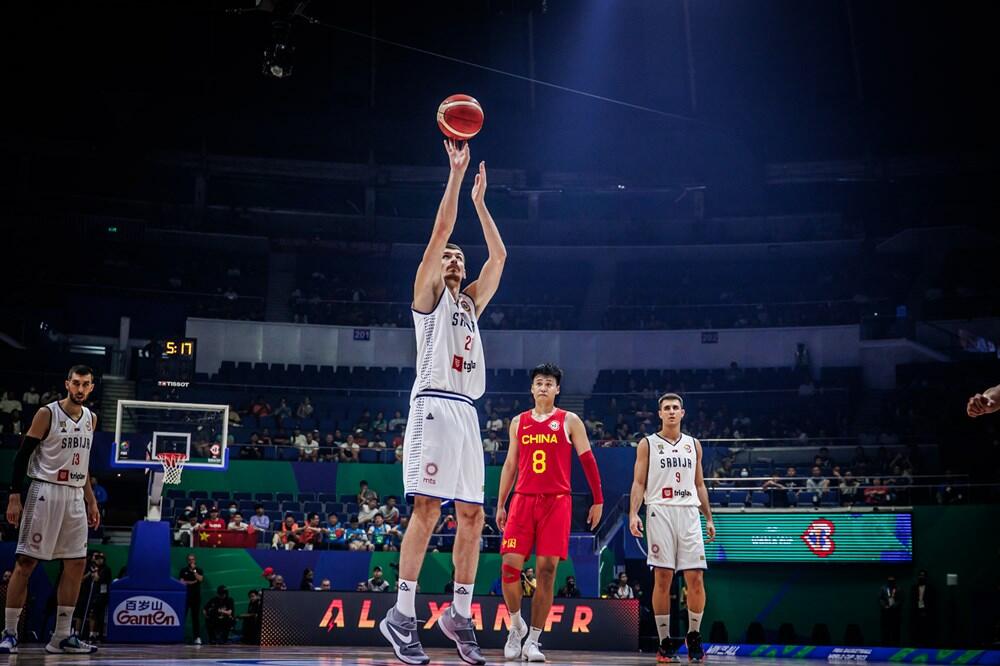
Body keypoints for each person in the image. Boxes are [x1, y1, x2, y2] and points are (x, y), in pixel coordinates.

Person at [381, 139, 506, 666]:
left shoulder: (472, 304)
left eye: (459, 256)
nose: (454, 258)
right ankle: (402, 615)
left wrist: (481, 203)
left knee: (474, 517)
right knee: (428, 510)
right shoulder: (428, 299)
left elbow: (499, 256)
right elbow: (438, 233)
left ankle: (459, 611)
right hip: (432, 407)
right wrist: (455, 177)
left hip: (467, 415)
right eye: (448, 257)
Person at [496, 363, 604, 661]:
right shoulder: (518, 422)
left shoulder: (569, 420)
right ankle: (515, 626)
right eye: (539, 382)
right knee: (509, 567)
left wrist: (598, 500)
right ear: (532, 389)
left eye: (549, 383)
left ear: (557, 389)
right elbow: (510, 465)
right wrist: (500, 502)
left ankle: (533, 640)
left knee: (546, 572)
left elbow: (589, 460)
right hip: (522, 500)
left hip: (557, 502)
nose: (543, 386)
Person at [1, 366, 102, 655]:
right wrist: (14, 495)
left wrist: (91, 500)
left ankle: (60, 637)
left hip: (75, 495)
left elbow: (82, 463)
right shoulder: (48, 413)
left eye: (86, 384)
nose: (80, 389)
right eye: (76, 383)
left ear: (92, 387)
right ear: (67, 384)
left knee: (76, 564)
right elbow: (22, 456)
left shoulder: (91, 419)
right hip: (45, 490)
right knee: (26, 563)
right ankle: (9, 632)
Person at [629, 393, 715, 664]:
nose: (671, 412)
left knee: (696, 579)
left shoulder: (693, 445)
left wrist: (709, 517)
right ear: (659, 414)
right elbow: (639, 482)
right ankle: (665, 641)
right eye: (666, 408)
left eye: (675, 408)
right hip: (659, 510)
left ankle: (693, 636)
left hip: (689, 512)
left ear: (683, 413)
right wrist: (633, 513)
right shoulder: (647, 444)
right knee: (663, 578)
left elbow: (700, 484)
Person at [179, 553, 205, 644]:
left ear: (195, 560)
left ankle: (197, 637)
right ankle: (179, 636)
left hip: (196, 597)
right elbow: (181, 582)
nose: (191, 561)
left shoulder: (199, 570)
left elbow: (200, 579)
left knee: (195, 618)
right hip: (185, 597)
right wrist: (193, 582)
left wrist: (194, 571)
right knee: (182, 617)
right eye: (189, 559)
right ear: (187, 560)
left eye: (193, 559)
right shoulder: (183, 570)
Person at [880, 576, 902, 646]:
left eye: (892, 581)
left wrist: (894, 605)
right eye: (889, 581)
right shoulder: (883, 588)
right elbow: (880, 598)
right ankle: (885, 645)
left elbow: (900, 599)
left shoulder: (898, 588)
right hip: (886, 612)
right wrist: (884, 606)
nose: (891, 582)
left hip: (895, 612)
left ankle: (896, 645)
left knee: (895, 630)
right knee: (886, 630)